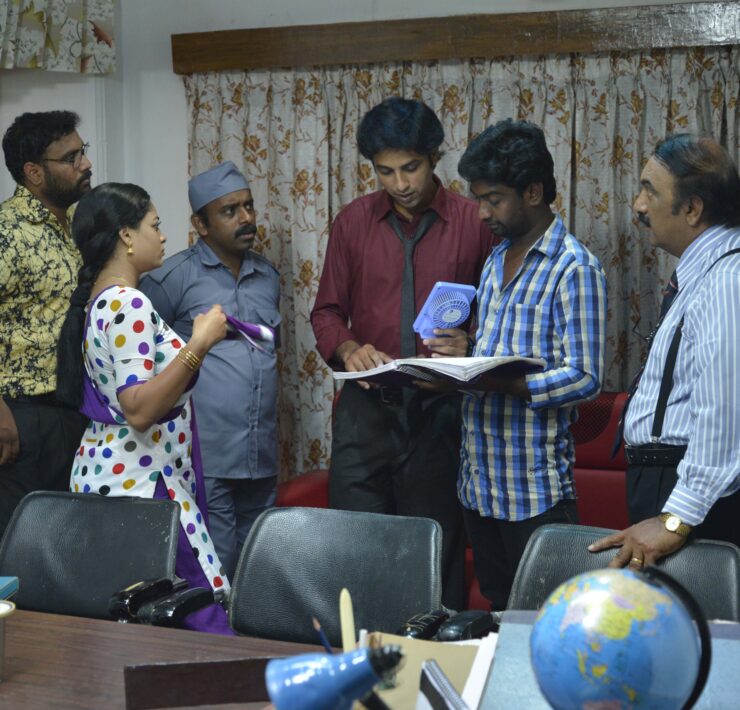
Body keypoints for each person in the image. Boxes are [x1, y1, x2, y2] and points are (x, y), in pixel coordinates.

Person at [310, 97, 495, 611]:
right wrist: (348, 347)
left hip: (441, 414)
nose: (400, 183)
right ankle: (361, 657)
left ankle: (438, 657)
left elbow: (499, 317)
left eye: (410, 168)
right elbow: (326, 312)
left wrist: (471, 342)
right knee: (355, 553)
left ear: (434, 157)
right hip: (364, 416)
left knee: (435, 556)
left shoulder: (474, 222)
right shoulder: (352, 222)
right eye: (385, 171)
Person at [55, 182, 233, 634]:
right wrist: (198, 344)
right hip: (143, 483)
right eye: (155, 225)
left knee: (137, 625)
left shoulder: (100, 300)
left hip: (114, 476)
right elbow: (137, 407)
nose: (164, 235)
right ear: (126, 236)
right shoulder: (128, 302)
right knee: (200, 616)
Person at [454, 119, 608, 610]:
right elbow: (494, 353)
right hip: (479, 486)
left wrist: (503, 383)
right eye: (478, 199)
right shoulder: (494, 261)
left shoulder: (574, 267)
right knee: (497, 615)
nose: (482, 213)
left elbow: (585, 377)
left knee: (548, 620)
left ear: (534, 192)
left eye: (494, 199)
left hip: (535, 492)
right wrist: (459, 359)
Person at [590, 134, 740, 570]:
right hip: (671, 484)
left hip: (691, 493)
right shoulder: (707, 272)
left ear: (692, 209)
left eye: (649, 191)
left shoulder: (726, 282)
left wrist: (677, 518)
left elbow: (726, 410)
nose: (638, 206)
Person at [140, 161, 280, 580]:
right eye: (230, 211)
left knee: (260, 567)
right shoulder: (171, 279)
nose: (246, 218)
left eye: (248, 206)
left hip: (261, 452)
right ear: (201, 224)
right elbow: (145, 359)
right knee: (215, 567)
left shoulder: (267, 276)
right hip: (206, 455)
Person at [0, 111, 92, 539]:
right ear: (34, 172)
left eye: (82, 152)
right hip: (22, 418)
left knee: (68, 550)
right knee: (22, 551)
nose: (85, 164)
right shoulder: (7, 231)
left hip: (74, 412)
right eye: (71, 158)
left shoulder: (75, 226)